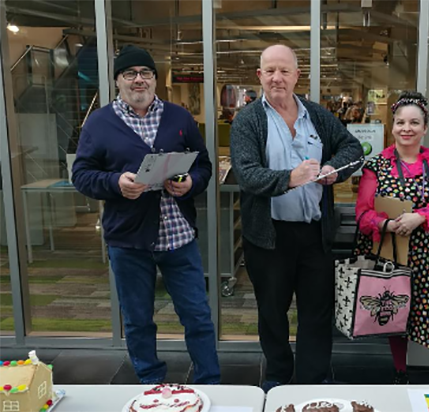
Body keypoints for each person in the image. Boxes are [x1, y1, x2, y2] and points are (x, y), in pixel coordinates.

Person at [71, 45, 220, 384]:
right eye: (130, 74)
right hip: (128, 239)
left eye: (146, 73)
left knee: (197, 315)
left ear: (154, 79)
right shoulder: (99, 123)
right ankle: (151, 384)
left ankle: (210, 381)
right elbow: (81, 175)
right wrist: (115, 183)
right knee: (138, 320)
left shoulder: (179, 118)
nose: (139, 80)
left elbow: (204, 166)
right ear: (118, 82)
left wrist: (190, 182)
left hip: (179, 237)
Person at [229, 44, 363, 391]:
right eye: (270, 70)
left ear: (296, 76)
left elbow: (353, 149)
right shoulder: (248, 120)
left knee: (316, 313)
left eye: (284, 71)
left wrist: (336, 168)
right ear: (259, 76)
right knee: (272, 314)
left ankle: (312, 377)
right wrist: (290, 178)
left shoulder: (316, 116)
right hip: (268, 237)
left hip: (314, 235)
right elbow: (246, 174)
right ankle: (278, 374)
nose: (277, 78)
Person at [355, 91, 429, 384]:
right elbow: (363, 212)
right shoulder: (376, 165)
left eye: (414, 122)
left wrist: (420, 217)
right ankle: (400, 373)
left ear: (425, 128)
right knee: (396, 313)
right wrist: (387, 224)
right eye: (400, 122)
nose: (406, 128)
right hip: (392, 252)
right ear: (392, 126)